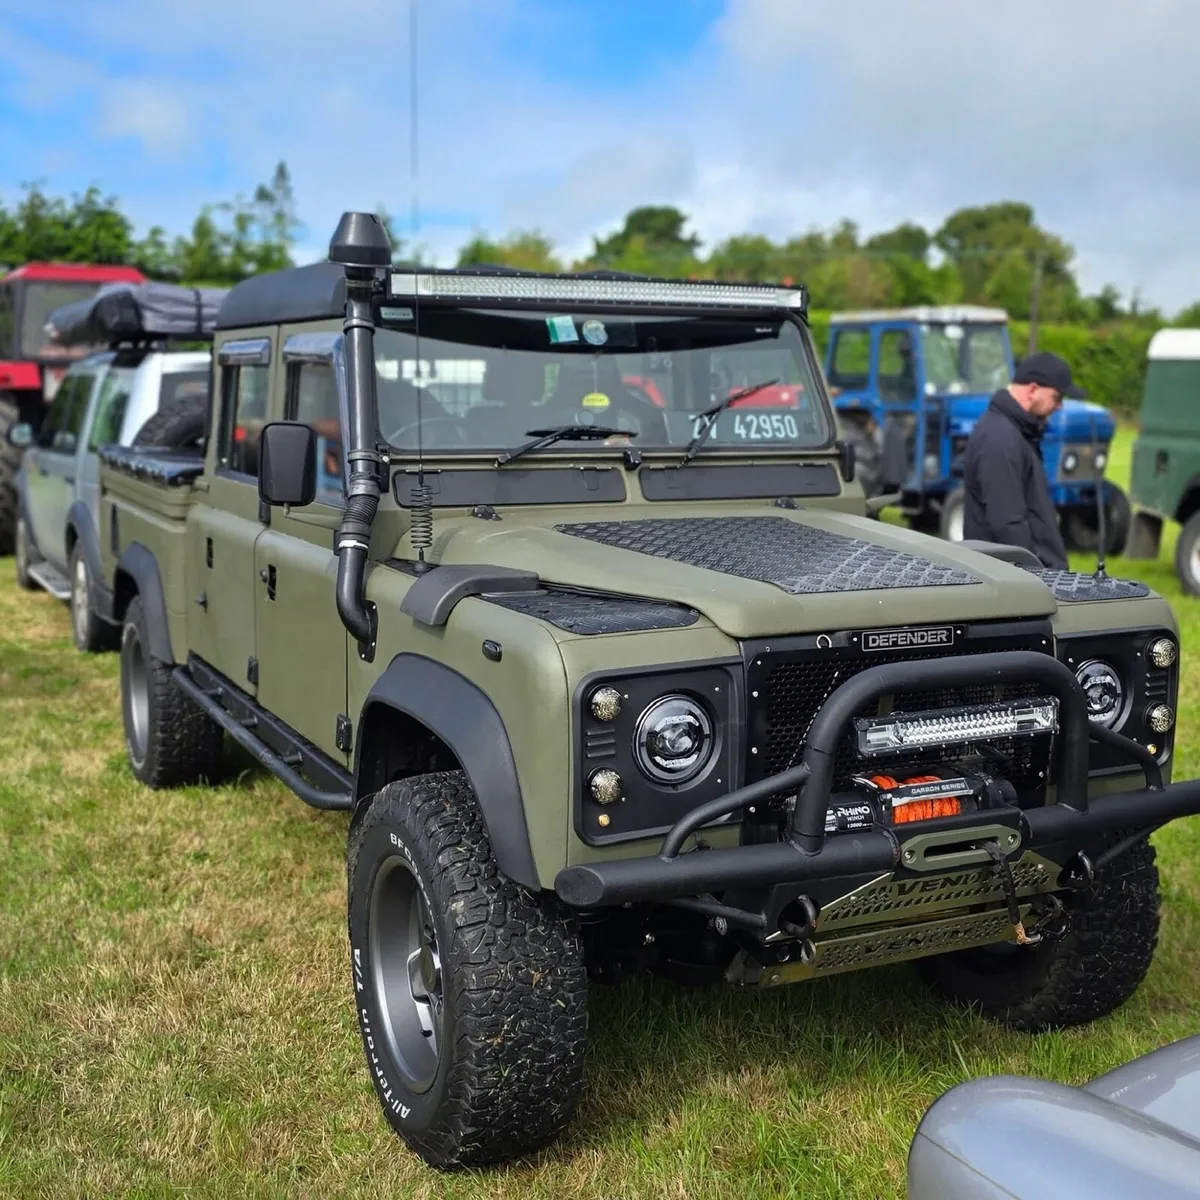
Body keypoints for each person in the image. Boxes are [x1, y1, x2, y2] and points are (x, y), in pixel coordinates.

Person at [961, 351, 1084, 570]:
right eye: (1057, 397)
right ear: (1033, 390)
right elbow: (1008, 523)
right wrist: (1037, 574)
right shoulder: (999, 440)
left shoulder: (1018, 433)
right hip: (1016, 583)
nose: (1060, 407)